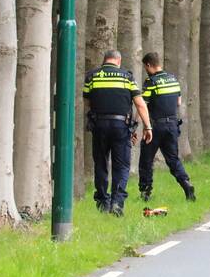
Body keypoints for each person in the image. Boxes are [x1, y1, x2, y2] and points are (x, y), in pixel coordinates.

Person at [83, 50, 152, 216]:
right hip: (121, 126)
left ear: (104, 60)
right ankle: (117, 203)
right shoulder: (127, 77)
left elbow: (87, 102)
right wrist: (147, 127)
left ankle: (102, 202)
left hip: (99, 125)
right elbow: (140, 104)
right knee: (121, 166)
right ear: (118, 61)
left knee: (100, 163)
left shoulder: (92, 76)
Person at [138, 52, 196, 203]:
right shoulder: (173, 79)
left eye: (145, 67)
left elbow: (143, 104)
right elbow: (178, 102)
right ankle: (186, 184)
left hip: (156, 126)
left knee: (146, 160)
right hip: (172, 125)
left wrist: (139, 124)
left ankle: (145, 193)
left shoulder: (151, 82)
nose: (146, 70)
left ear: (148, 65)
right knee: (173, 159)